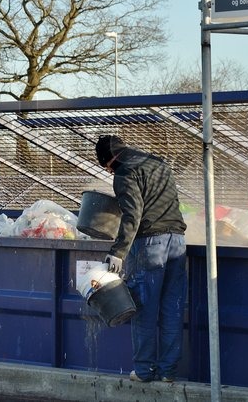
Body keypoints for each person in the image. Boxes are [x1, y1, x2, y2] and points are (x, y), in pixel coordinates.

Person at [94, 134, 187, 383]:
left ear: (109, 161)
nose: (108, 171)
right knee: (172, 309)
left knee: (145, 309)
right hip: (177, 241)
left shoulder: (125, 173)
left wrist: (118, 252)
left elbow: (132, 215)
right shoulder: (159, 162)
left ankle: (144, 371)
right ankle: (168, 371)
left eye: (106, 167)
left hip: (150, 244)